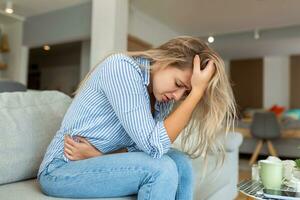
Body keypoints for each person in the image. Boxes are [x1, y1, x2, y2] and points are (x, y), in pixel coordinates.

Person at [37, 36, 236, 200]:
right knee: (162, 169)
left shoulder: (161, 100)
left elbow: (140, 149)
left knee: (180, 161)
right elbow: (154, 146)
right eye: (178, 83)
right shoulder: (121, 69)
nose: (177, 96)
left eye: (185, 93)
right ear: (166, 60)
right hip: (61, 169)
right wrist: (196, 93)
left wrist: (100, 157)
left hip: (93, 163)